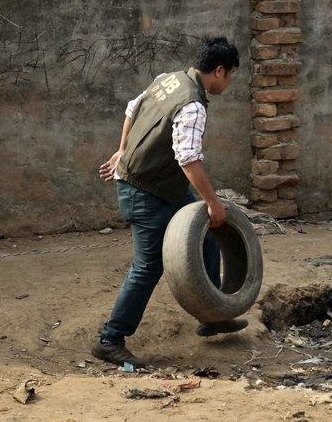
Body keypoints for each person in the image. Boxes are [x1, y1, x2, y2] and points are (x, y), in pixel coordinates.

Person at [92, 37, 245, 368]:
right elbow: (188, 158)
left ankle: (213, 316)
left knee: (206, 234)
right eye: (231, 74)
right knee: (148, 266)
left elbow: (133, 109)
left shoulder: (168, 79)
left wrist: (123, 150)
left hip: (159, 185)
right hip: (144, 190)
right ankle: (110, 339)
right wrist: (213, 202)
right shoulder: (192, 105)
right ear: (218, 71)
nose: (230, 81)